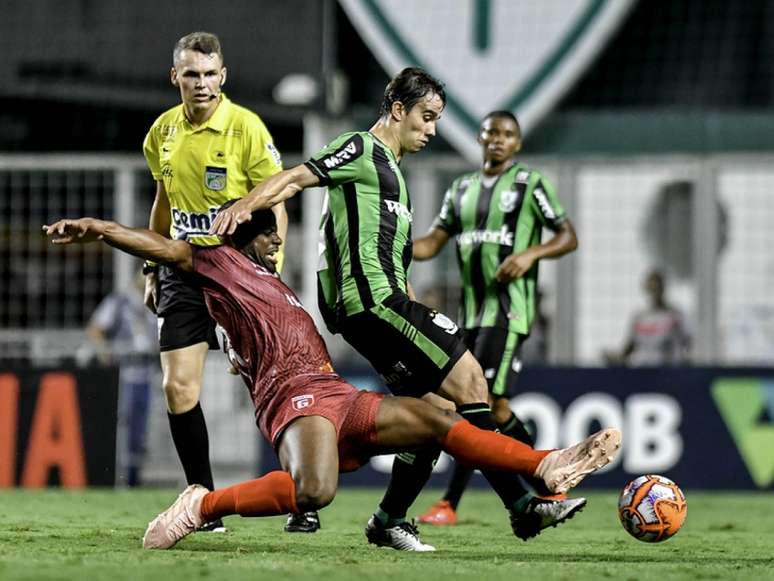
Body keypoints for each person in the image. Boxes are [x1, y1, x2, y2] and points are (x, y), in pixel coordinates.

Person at [43, 209, 621, 552]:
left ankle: (542, 464)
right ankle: (200, 505)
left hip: (333, 391)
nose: (277, 244)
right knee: (315, 492)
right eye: (271, 237)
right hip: (290, 397)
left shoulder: (268, 277)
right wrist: (98, 228)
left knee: (436, 421)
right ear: (252, 236)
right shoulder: (219, 260)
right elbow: (164, 247)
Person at [211, 69, 585, 547]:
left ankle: (388, 519)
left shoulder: (395, 175)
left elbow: (395, 253)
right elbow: (296, 178)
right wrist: (246, 204)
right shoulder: (362, 149)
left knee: (433, 411)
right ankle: (521, 505)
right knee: (472, 381)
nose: (431, 129)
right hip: (373, 303)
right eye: (426, 117)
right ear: (398, 109)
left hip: (380, 305)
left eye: (436, 120)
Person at [141, 31, 301, 532]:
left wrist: (268, 272)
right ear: (176, 78)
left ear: (223, 76)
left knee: (269, 385)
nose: (202, 83)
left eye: (210, 74)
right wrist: (151, 267)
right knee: (178, 386)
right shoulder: (162, 132)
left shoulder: (247, 129)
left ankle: (305, 496)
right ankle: (203, 503)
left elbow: (275, 203)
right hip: (183, 272)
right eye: (192, 74)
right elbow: (164, 201)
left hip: (237, 273)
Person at [411, 111, 578, 526]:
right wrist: (391, 244)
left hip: (508, 311)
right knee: (496, 411)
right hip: (469, 314)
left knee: (475, 405)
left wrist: (529, 254)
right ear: (480, 140)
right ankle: (549, 476)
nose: (498, 141)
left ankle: (449, 502)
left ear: (517, 144)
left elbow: (567, 235)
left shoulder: (530, 185)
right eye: (491, 134)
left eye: (507, 135)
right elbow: (433, 242)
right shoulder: (461, 189)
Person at [85, 271, 158, 487]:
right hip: (123, 376)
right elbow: (96, 329)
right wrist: (106, 355)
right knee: (121, 429)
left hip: (146, 375)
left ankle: (133, 478)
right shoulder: (120, 302)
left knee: (140, 431)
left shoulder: (156, 303)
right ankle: (115, 477)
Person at [604, 269, 691, 366]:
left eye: (658, 285)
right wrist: (616, 358)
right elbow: (630, 347)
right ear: (646, 288)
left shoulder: (675, 316)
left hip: (668, 371)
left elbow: (688, 342)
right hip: (644, 372)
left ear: (663, 287)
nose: (655, 289)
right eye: (652, 285)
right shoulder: (639, 317)